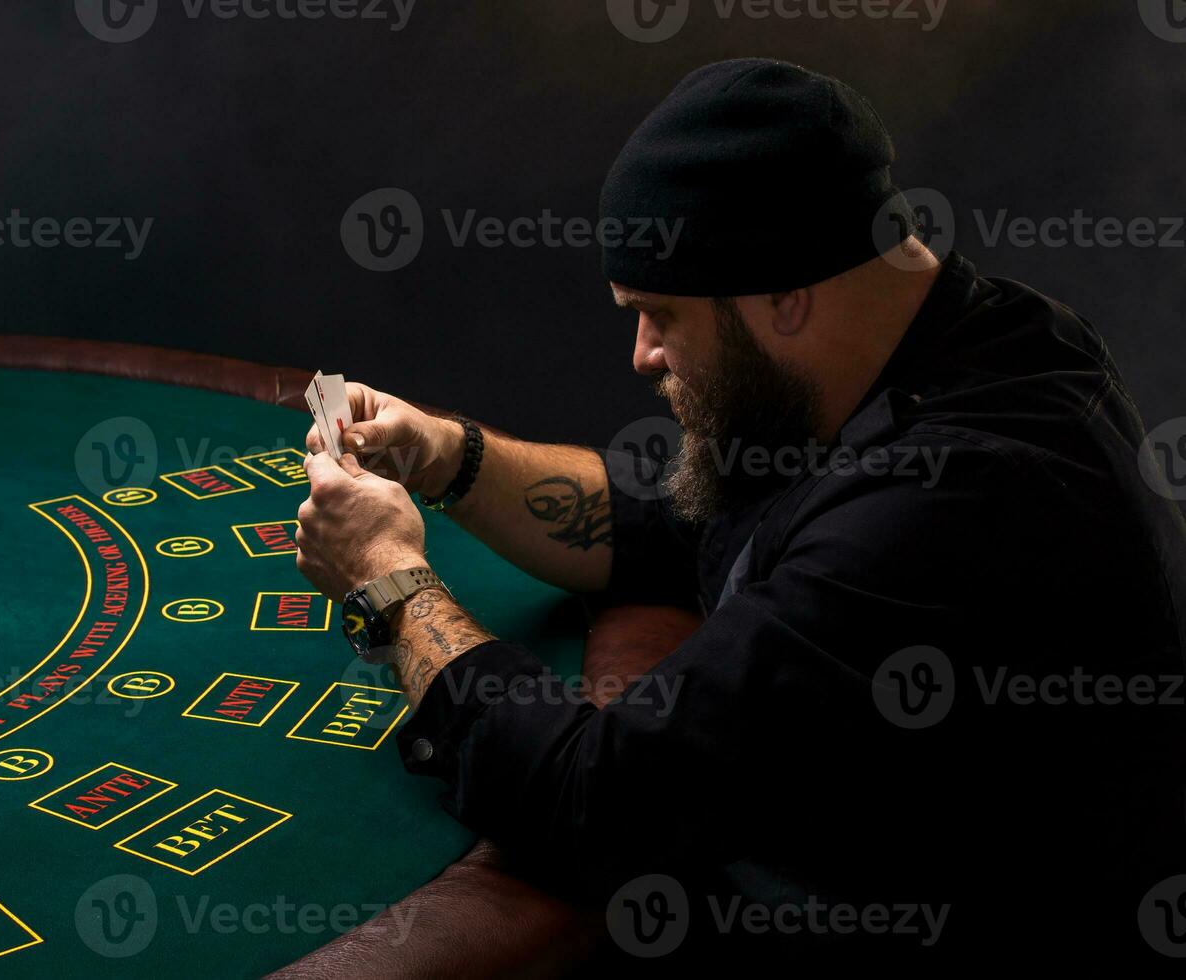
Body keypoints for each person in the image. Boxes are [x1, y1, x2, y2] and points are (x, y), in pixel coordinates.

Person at [294, 58, 1186, 964]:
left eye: (662, 317)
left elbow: (594, 808)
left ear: (784, 297)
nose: (642, 355)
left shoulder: (951, 500)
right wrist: (445, 455)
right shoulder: (947, 342)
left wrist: (391, 582)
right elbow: (675, 524)